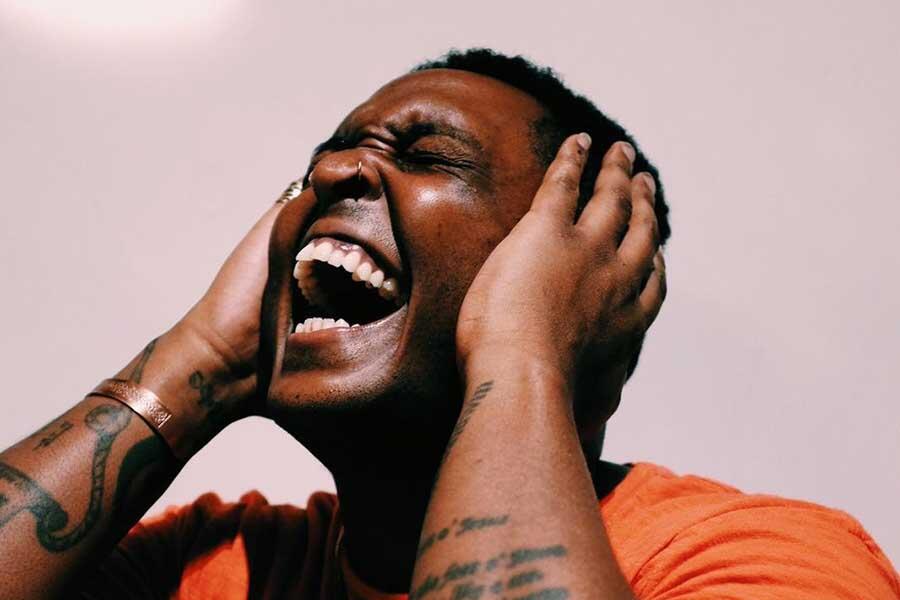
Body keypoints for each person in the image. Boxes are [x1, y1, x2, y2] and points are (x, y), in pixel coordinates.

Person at [0, 48, 896, 600]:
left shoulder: (754, 556)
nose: (335, 176)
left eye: (426, 155)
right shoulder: (215, 567)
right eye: (325, 160)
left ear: (580, 266)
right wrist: (199, 360)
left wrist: (522, 351)